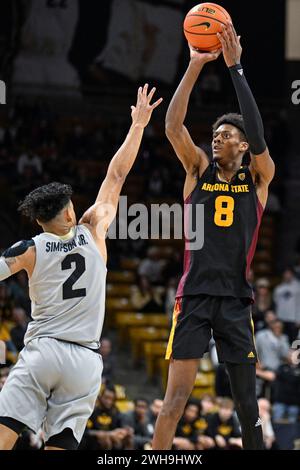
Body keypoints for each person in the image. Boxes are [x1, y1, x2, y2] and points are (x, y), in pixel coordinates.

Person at [0, 84, 162, 450]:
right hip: (86, 362)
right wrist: (138, 124)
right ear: (71, 212)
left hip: (45, 351)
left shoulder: (29, 248)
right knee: (61, 442)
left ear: (40, 221)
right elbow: (116, 175)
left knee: (4, 434)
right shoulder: (94, 231)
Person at [153, 22, 275, 450]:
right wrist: (193, 66)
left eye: (226, 136)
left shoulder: (259, 178)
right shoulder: (198, 172)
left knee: (246, 402)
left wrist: (236, 68)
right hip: (196, 295)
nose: (217, 139)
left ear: (243, 147)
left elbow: (258, 134)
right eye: (215, 135)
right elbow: (172, 126)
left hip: (236, 300)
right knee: (175, 401)